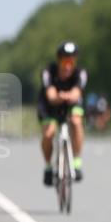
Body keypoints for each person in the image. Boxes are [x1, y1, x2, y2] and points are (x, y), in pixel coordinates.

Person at [39, 41, 88, 185]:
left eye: (71, 60)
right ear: (59, 60)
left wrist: (68, 96)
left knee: (76, 121)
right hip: (50, 105)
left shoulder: (81, 73)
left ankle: (77, 162)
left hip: (71, 103)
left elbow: (76, 92)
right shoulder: (48, 72)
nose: (68, 64)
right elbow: (51, 96)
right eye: (65, 60)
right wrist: (59, 96)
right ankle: (48, 167)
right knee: (48, 134)